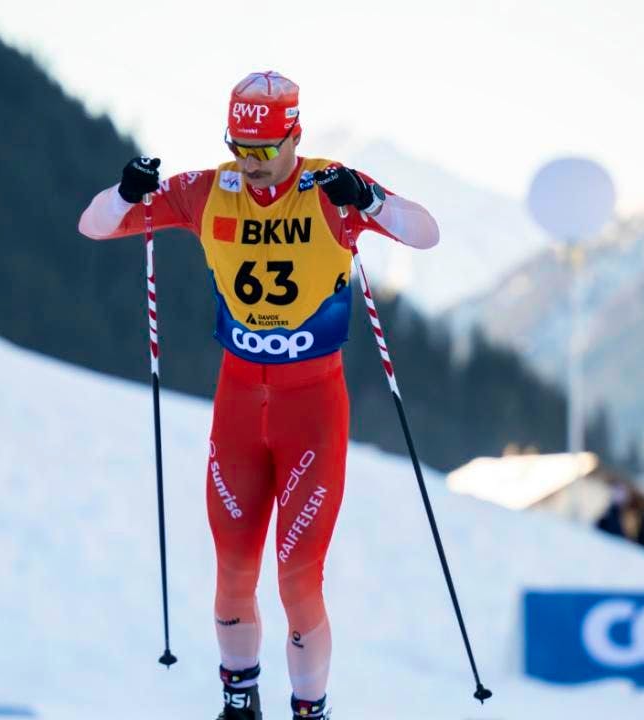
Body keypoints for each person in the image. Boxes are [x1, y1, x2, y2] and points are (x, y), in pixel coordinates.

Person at [78, 70, 439, 720]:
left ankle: (310, 710)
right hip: (239, 404)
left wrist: (372, 201)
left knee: (299, 581)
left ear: (295, 136)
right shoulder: (208, 191)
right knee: (233, 571)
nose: (253, 164)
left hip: (312, 409)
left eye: (265, 150)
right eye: (240, 147)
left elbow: (425, 232)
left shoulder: (330, 187)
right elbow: (96, 226)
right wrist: (125, 190)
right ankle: (239, 703)